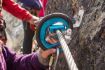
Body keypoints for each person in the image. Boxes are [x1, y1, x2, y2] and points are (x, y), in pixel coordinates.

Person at [0, 0, 56, 70]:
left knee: (28, 38)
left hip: (30, 12)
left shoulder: (3, 52)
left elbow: (12, 62)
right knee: (28, 38)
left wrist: (39, 58)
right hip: (30, 10)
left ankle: (27, 54)